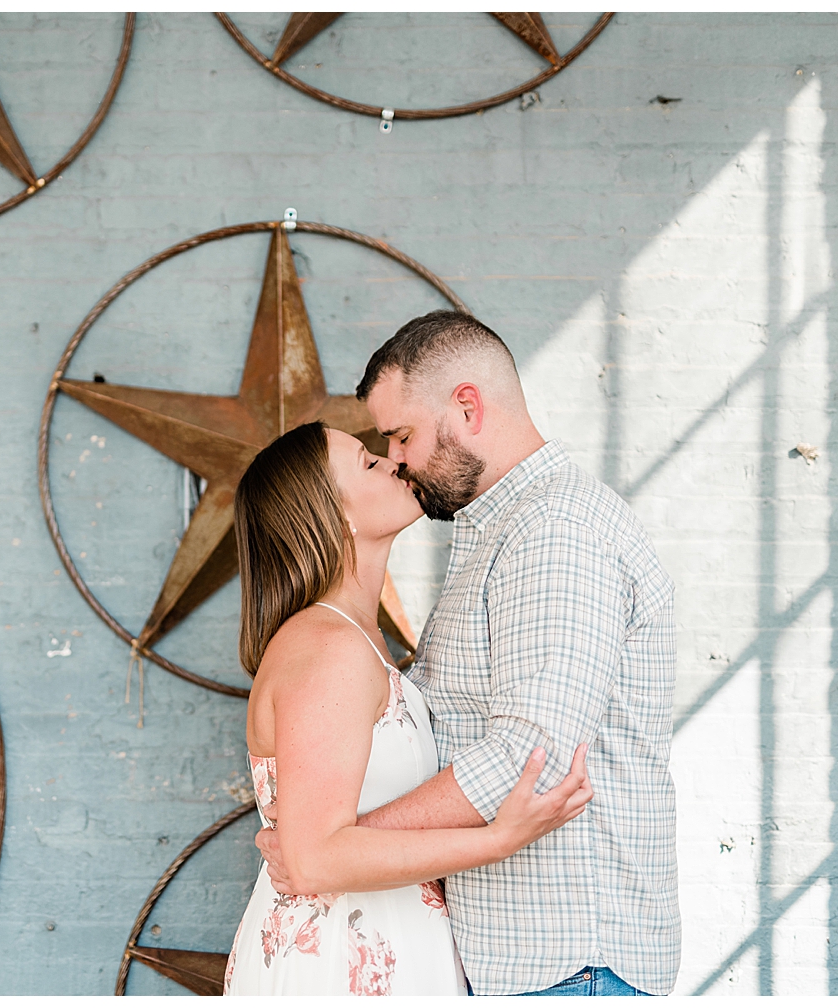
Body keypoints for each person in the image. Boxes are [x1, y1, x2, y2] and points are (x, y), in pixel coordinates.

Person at [260, 310, 680, 996]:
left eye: (402, 436)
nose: (396, 459)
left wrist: (334, 846)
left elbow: (530, 757)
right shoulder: (497, 533)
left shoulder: (554, 530)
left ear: (467, 407)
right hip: (519, 962)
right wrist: (327, 847)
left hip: (565, 964)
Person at [223, 419, 593, 997]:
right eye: (368, 462)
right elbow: (316, 858)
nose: (393, 461)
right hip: (339, 964)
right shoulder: (329, 647)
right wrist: (499, 841)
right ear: (331, 514)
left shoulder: (356, 639)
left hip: (387, 942)